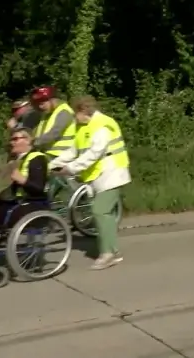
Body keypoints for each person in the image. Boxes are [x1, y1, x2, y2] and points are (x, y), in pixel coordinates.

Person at [49, 96, 131, 270]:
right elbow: (73, 151)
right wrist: (51, 164)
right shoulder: (82, 127)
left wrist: (70, 168)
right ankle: (113, 251)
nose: (74, 118)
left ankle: (107, 254)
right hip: (98, 175)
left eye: (75, 114)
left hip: (112, 173)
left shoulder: (102, 126)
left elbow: (94, 154)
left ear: (83, 111)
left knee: (100, 211)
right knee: (105, 215)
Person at [0, 128, 50, 244]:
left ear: (28, 140)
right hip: (14, 201)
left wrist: (22, 180)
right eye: (11, 140)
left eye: (15, 139)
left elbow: (39, 188)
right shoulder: (13, 160)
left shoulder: (37, 158)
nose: (11, 142)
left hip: (32, 204)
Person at [30, 86, 76, 158]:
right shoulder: (47, 114)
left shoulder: (64, 112)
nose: (40, 107)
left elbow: (55, 132)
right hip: (49, 154)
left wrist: (33, 143)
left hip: (61, 155)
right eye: (38, 104)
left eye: (42, 103)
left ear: (52, 99)